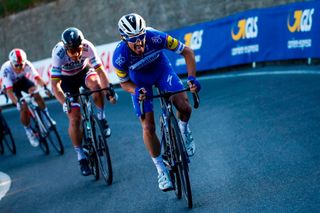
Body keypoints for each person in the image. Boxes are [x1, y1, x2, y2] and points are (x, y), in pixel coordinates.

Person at [112, 13, 201, 191]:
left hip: (162, 71)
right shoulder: (119, 56)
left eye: (141, 37)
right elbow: (123, 83)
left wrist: (192, 78)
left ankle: (184, 130)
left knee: (184, 107)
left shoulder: (156, 37)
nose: (139, 43)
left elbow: (188, 52)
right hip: (139, 82)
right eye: (133, 40)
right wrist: (135, 90)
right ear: (124, 39)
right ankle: (161, 169)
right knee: (148, 127)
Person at [51, 27, 117, 176]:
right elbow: (55, 85)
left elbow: (100, 71)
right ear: (66, 48)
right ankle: (81, 156)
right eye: (72, 51)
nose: (76, 54)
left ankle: (101, 117)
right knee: (74, 118)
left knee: (96, 85)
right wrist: (64, 102)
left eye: (79, 50)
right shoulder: (58, 53)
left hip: (83, 72)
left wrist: (108, 91)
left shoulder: (88, 46)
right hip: (66, 80)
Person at [0, 48, 54, 147]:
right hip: (10, 87)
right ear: (12, 64)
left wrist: (45, 88)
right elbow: (10, 92)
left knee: (36, 94)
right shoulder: (6, 70)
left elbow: (37, 78)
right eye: (17, 65)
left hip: (22, 81)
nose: (20, 67)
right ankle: (28, 131)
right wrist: (17, 103)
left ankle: (47, 119)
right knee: (23, 107)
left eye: (22, 65)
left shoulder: (27, 64)